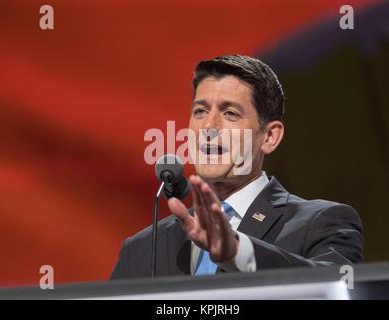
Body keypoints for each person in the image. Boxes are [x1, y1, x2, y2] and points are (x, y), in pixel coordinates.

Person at [110, 55, 364, 279]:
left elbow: (336, 290)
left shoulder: (322, 223)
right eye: (200, 111)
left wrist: (237, 252)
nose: (208, 126)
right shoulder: (142, 249)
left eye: (230, 113)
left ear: (269, 137)